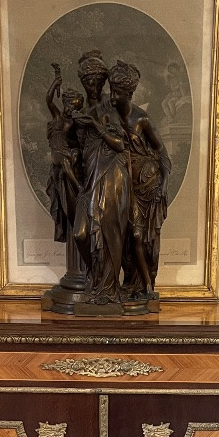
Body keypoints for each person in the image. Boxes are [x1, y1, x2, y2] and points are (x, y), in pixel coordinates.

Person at [71, 50, 131, 303]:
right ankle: (96, 278)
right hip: (89, 175)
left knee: (109, 230)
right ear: (82, 81)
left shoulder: (108, 106)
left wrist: (94, 125)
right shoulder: (79, 107)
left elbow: (120, 144)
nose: (93, 85)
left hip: (111, 173)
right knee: (81, 233)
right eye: (88, 81)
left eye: (97, 80)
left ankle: (108, 287)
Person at [109, 59, 171, 298]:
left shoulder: (141, 119)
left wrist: (163, 185)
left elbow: (162, 152)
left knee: (142, 238)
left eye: (117, 92)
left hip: (147, 184)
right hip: (125, 184)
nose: (112, 96)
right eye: (111, 90)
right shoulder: (109, 116)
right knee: (127, 237)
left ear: (129, 94)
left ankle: (146, 286)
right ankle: (131, 283)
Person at [44, 65, 83, 243]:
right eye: (69, 105)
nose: (70, 109)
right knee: (65, 161)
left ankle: (78, 189)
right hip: (57, 153)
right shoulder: (57, 116)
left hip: (67, 152)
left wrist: (76, 152)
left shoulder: (75, 122)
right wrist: (55, 82)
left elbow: (79, 143)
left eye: (74, 107)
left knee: (70, 158)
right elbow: (48, 99)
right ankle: (78, 187)